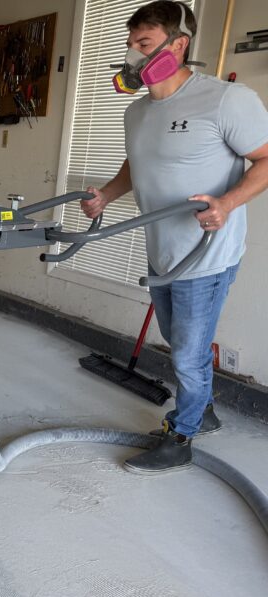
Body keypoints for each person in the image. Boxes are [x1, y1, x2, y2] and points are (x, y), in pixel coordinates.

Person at [81, 0, 268, 474]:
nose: (131, 55)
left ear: (177, 44)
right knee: (180, 340)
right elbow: (137, 163)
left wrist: (226, 204)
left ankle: (182, 437)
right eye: (130, 44)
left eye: (142, 44)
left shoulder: (225, 99)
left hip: (206, 255)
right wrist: (106, 194)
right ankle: (201, 410)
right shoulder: (138, 113)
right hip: (162, 250)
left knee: (186, 351)